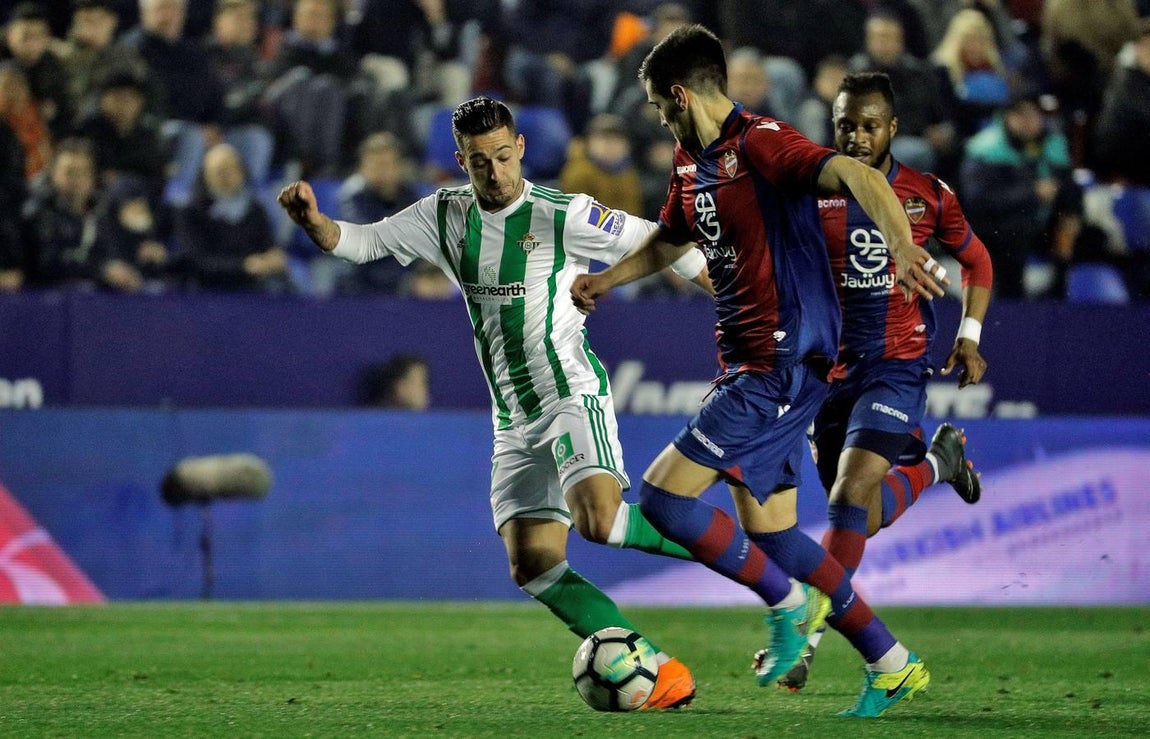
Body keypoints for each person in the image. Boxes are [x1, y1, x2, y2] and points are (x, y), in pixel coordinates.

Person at [278, 95, 711, 710]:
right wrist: (312, 223)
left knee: (601, 520)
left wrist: (729, 292)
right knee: (533, 562)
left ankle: (753, 559)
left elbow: (663, 241)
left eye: (504, 157)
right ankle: (657, 670)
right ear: (462, 160)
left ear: (522, 150)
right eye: (480, 162)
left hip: (568, 392)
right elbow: (360, 242)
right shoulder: (443, 215)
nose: (496, 172)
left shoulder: (561, 213)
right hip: (513, 418)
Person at [570, 24, 946, 718]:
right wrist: (611, 278)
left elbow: (857, 173)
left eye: (659, 106)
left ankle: (785, 601)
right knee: (774, 535)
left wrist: (901, 244)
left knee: (658, 500)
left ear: (680, 95)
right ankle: (893, 663)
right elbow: (674, 238)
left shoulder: (763, 143)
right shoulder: (692, 165)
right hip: (753, 357)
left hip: (779, 363)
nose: (660, 119)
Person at [771, 71, 994, 692]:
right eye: (846, 124)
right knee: (858, 517)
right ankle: (938, 465)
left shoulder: (927, 195)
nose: (857, 136)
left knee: (847, 495)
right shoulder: (810, 191)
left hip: (896, 365)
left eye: (869, 125)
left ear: (892, 129)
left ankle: (804, 639)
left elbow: (977, 260)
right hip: (827, 375)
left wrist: (969, 336)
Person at [358, 354, 430, 410]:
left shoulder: (427, 424)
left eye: (424, 383)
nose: (424, 390)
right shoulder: (373, 422)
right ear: (399, 386)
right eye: (418, 383)